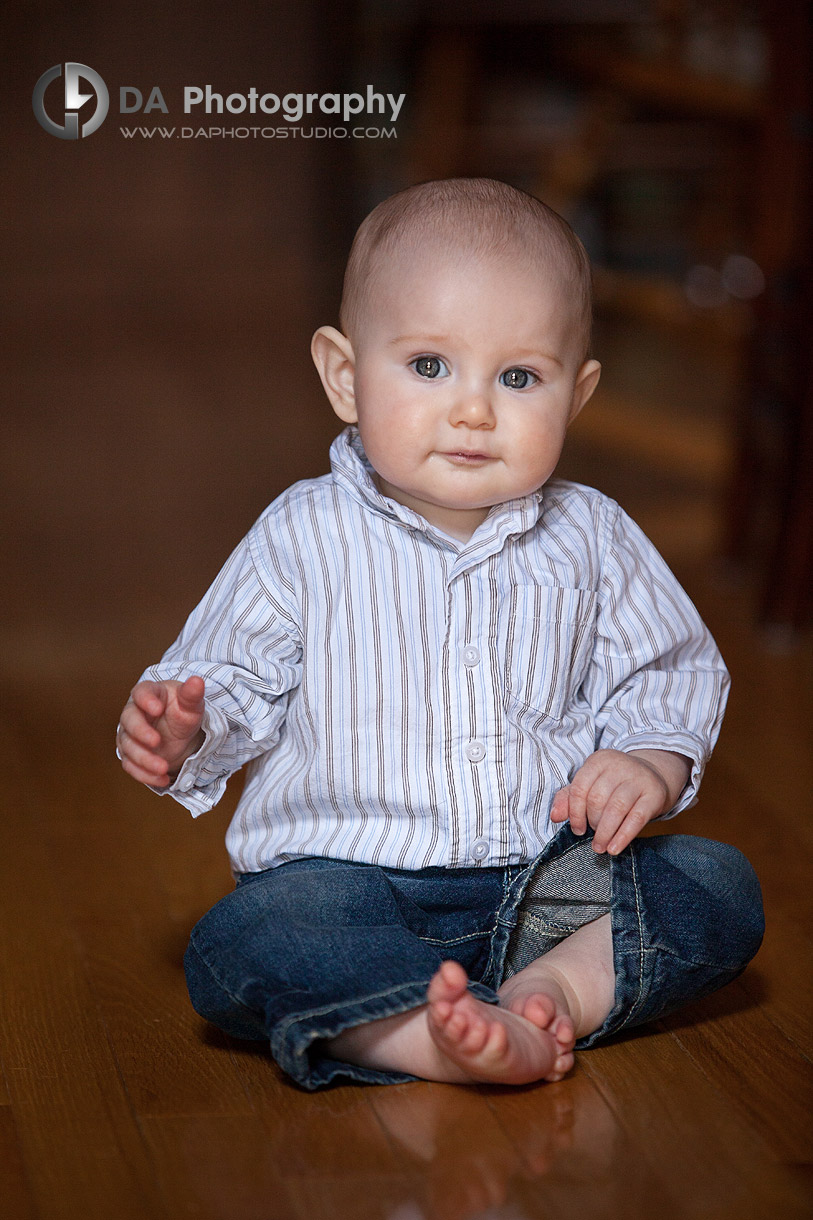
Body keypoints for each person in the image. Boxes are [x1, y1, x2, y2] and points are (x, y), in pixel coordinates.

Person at [116, 178, 764, 1090]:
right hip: (347, 884)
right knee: (247, 938)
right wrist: (187, 726)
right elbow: (231, 675)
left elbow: (669, 667)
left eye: (517, 377)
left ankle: (551, 993)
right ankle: (417, 1030)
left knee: (716, 885)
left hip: (551, 881)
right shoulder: (304, 535)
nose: (472, 409)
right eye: (428, 366)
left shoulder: (593, 536)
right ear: (345, 375)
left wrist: (649, 760)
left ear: (575, 395)